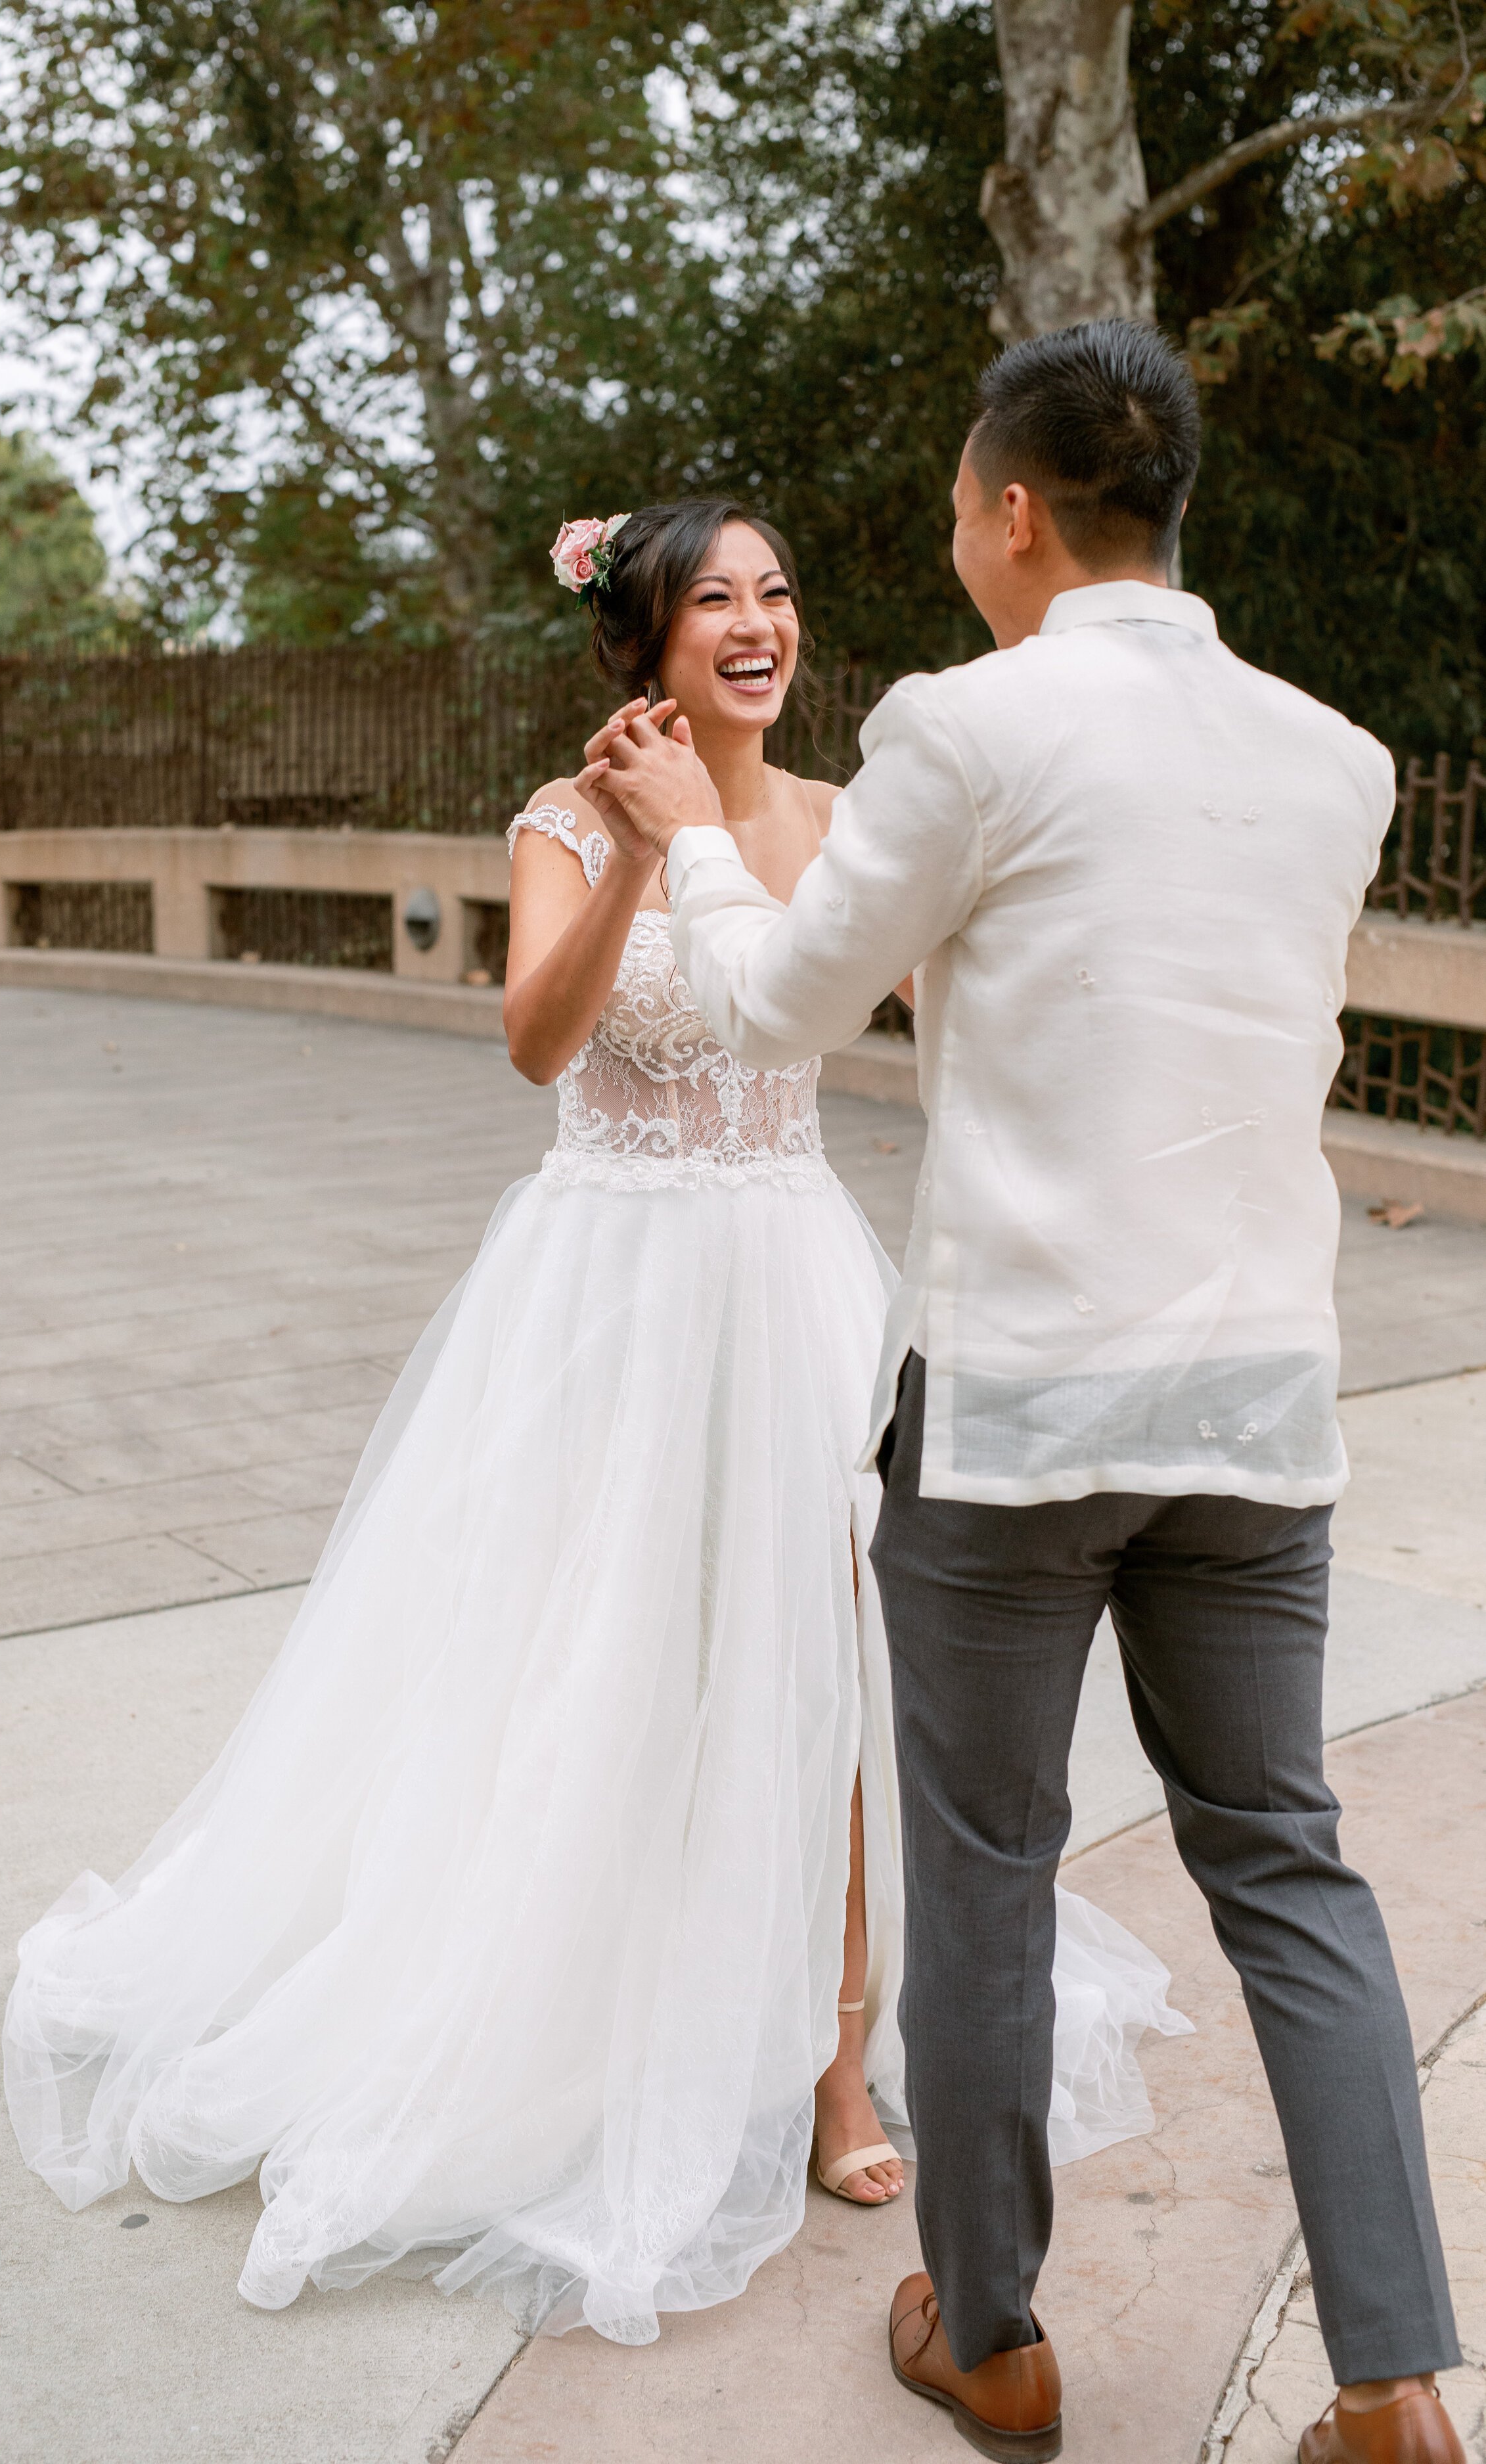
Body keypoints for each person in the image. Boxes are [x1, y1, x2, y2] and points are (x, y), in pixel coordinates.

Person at [3, 493, 1188, 2351]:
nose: (757, 621)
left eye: (778, 591)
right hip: (605, 1286)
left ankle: (831, 2071)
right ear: (640, 642)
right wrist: (642, 846)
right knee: (587, 1650)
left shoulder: (842, 820)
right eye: (713, 597)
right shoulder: (556, 822)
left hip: (793, 1270)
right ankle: (593, 2001)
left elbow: (973, 984)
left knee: (840, 1663)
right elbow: (537, 1043)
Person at [583, 325, 1465, 2463]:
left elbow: (786, 992)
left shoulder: (962, 726)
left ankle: (989, 2339)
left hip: (1017, 1411)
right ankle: (1397, 2389)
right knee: (1288, 1863)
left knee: (980, 1859)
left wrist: (700, 833)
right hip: (1257, 1403)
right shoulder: (1333, 756)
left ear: (1008, 511)